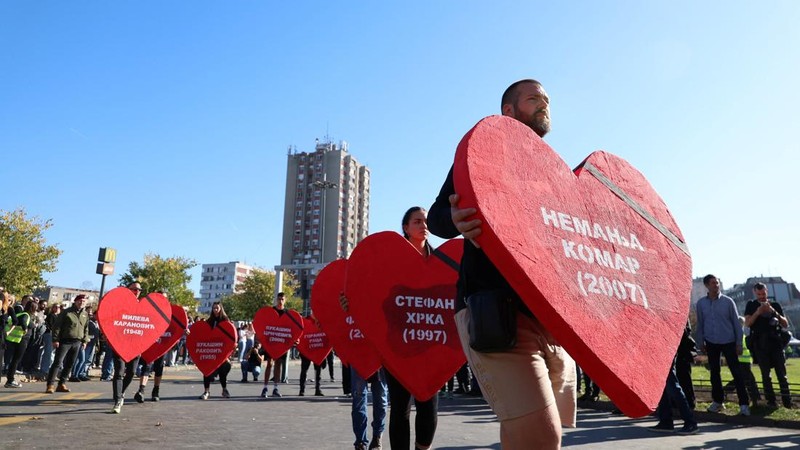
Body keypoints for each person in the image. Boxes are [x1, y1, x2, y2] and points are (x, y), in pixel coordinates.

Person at [428, 79, 577, 449]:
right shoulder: (484, 154)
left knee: (522, 429)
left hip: (551, 321)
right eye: (534, 99)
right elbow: (437, 218)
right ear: (508, 111)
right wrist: (455, 216)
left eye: (547, 101)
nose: (544, 105)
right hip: (498, 315)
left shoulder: (552, 171)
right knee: (542, 437)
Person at [386, 207, 440, 450]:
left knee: (429, 405)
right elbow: (372, 292)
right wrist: (350, 303)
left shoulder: (441, 261)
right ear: (406, 228)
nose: (423, 225)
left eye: (426, 221)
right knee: (400, 407)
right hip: (397, 345)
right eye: (417, 221)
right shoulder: (391, 260)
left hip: (430, 345)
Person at [695, 274, 750, 416]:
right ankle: (718, 402)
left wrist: (738, 343)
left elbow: (736, 324)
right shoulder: (701, 304)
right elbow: (700, 323)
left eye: (717, 283)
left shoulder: (728, 301)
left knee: (736, 372)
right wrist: (700, 342)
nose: (716, 285)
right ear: (707, 285)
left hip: (728, 341)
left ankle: (744, 404)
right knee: (714, 373)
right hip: (711, 342)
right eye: (713, 283)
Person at [341, 293, 388, 450]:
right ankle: (360, 441)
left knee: (381, 400)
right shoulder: (351, 295)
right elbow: (338, 316)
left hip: (379, 359)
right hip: (359, 355)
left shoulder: (382, 295)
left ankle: (377, 436)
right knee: (359, 398)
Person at [744, 282, 792, 408]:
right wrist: (758, 312)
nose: (761, 296)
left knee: (782, 375)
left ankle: (787, 402)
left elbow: (785, 324)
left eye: (763, 293)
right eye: (759, 294)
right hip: (760, 344)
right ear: (755, 293)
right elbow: (747, 323)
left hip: (775, 343)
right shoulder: (751, 305)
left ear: (767, 292)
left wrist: (773, 312)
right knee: (766, 375)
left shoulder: (775, 304)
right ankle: (771, 402)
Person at [110, 282, 146, 414]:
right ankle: (118, 400)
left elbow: (147, 324)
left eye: (139, 290)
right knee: (119, 372)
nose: (137, 291)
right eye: (134, 289)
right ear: (128, 290)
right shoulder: (120, 304)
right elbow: (111, 320)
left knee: (131, 372)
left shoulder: (143, 307)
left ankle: (122, 392)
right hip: (119, 343)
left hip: (135, 345)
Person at [45, 294, 90, 394]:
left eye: (84, 301)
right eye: (80, 300)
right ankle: (50, 385)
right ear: (75, 301)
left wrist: (85, 341)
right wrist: (55, 340)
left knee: (70, 364)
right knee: (57, 362)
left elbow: (86, 328)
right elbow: (57, 327)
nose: (82, 303)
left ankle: (62, 384)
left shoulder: (85, 314)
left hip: (77, 342)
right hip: (65, 341)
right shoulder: (66, 312)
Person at [199, 301, 232, 400]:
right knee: (206, 370)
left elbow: (230, 337)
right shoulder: (210, 321)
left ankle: (224, 389)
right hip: (211, 350)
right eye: (214, 308)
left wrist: (228, 353)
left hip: (222, 350)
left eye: (217, 308)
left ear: (221, 309)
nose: (215, 310)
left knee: (223, 369)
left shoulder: (225, 321)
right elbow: (204, 334)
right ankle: (206, 391)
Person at [260, 292, 290, 398]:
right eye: (279, 299)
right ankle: (265, 387)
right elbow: (265, 325)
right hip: (271, 342)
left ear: (285, 300)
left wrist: (295, 340)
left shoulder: (287, 313)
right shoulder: (271, 311)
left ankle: (275, 388)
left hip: (282, 343)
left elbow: (291, 329)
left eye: (282, 299)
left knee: (278, 365)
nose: (280, 301)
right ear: (276, 300)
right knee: (269, 364)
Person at [5, 298, 37, 387]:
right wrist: (25, 328)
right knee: (15, 360)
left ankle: (10, 379)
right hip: (21, 340)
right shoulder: (26, 315)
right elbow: (23, 322)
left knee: (11, 360)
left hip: (12, 339)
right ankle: (10, 380)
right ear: (33, 308)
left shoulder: (20, 313)